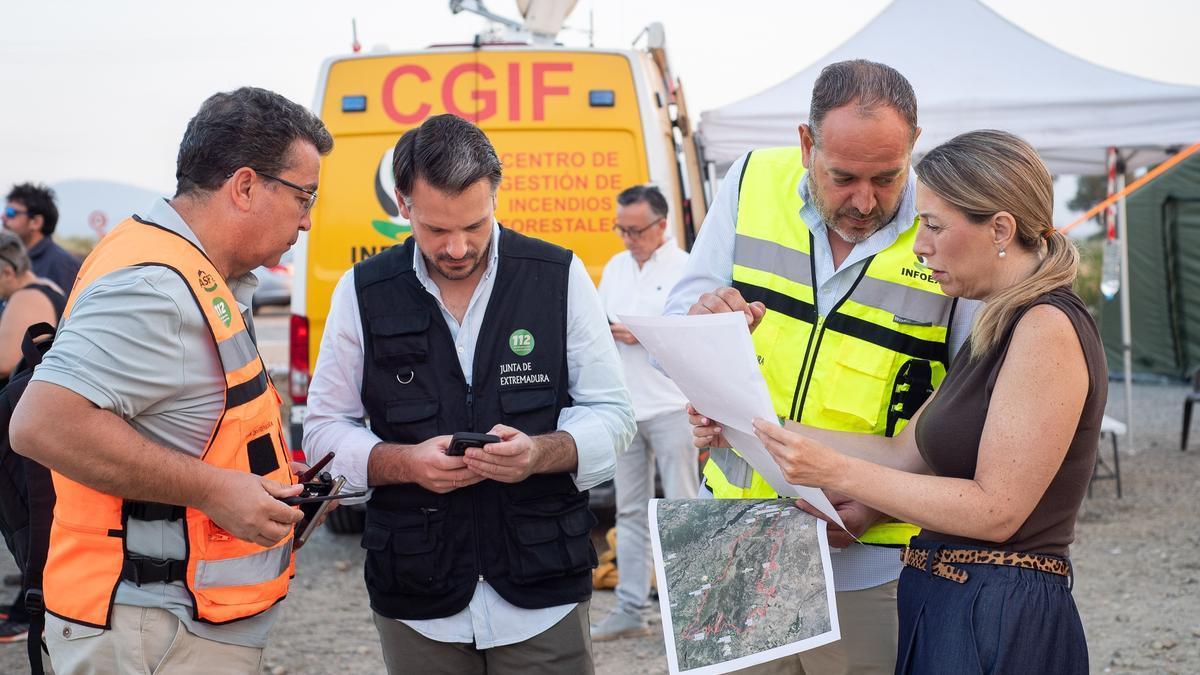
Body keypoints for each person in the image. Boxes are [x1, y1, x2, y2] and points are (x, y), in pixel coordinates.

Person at [736, 129, 1102, 674]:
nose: (919, 245)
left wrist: (837, 472)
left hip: (998, 616)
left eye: (932, 225)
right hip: (955, 600)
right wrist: (747, 423)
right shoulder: (996, 324)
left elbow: (997, 510)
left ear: (1000, 228)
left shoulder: (1045, 326)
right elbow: (902, 453)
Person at [665, 59, 979, 674]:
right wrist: (703, 336)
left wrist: (881, 504)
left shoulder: (951, 223)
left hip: (873, 557)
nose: (865, 201)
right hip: (732, 533)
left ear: (915, 144)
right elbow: (681, 314)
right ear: (806, 142)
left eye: (887, 178)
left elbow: (971, 402)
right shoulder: (750, 180)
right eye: (843, 177)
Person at [10, 86, 333, 673]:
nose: (308, 220)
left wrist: (266, 489)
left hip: (169, 623)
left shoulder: (188, 268)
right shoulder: (156, 285)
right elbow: (42, 424)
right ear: (244, 186)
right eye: (303, 196)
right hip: (150, 628)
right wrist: (216, 491)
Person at [303, 113, 634, 674]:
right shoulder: (362, 291)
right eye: (435, 230)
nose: (457, 248)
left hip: (542, 593)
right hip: (418, 595)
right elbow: (323, 431)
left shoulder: (558, 276)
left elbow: (614, 416)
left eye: (475, 226)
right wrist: (404, 463)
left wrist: (538, 454)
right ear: (403, 205)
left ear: (496, 199)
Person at [591, 185, 698, 641]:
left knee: (682, 510)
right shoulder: (615, 267)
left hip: (673, 406)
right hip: (626, 410)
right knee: (629, 512)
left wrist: (646, 335)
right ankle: (631, 608)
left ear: (661, 226)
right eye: (621, 229)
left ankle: (691, 611)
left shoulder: (688, 267)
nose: (627, 238)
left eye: (635, 230)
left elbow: (700, 335)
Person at [0, 230, 66, 644]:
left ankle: (30, 608)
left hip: (25, 420)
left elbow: (6, 360)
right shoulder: (49, 286)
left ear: (7, 270)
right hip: (41, 416)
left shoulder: (28, 297)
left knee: (28, 515)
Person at [3, 183, 80, 294]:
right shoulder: (12, 258)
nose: (3, 217)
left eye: (11, 213)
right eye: (5, 211)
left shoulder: (62, 265)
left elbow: (65, 309)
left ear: (36, 222)